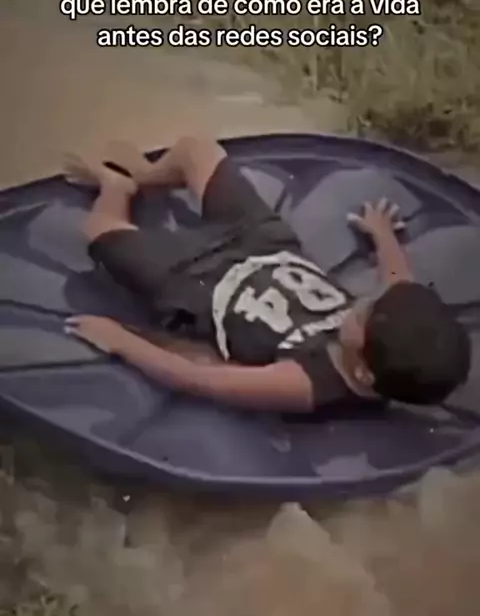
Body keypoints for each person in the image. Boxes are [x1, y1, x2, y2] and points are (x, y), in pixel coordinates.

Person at [64, 135, 471, 413]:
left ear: (364, 372)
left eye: (362, 316)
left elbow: (199, 379)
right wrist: (382, 235)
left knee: (98, 230)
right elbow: (400, 282)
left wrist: (121, 342)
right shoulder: (391, 329)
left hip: (193, 284)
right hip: (264, 242)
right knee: (196, 148)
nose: (364, 302)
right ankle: (147, 175)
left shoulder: (307, 382)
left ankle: (117, 188)